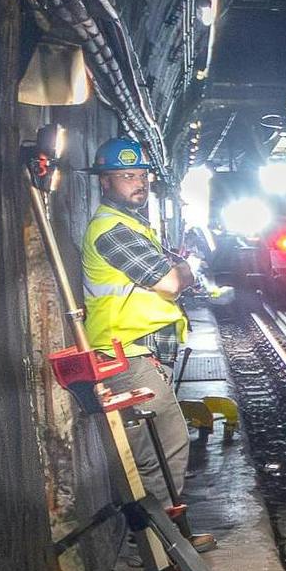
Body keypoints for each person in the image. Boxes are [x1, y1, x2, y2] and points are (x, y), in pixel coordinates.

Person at [80, 136, 213, 549]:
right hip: (127, 355)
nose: (138, 182)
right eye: (125, 176)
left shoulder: (134, 226)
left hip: (141, 353)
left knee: (162, 448)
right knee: (163, 450)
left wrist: (177, 269)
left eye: (141, 174)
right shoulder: (112, 231)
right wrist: (186, 268)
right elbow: (172, 281)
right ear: (104, 182)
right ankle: (164, 553)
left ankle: (171, 543)